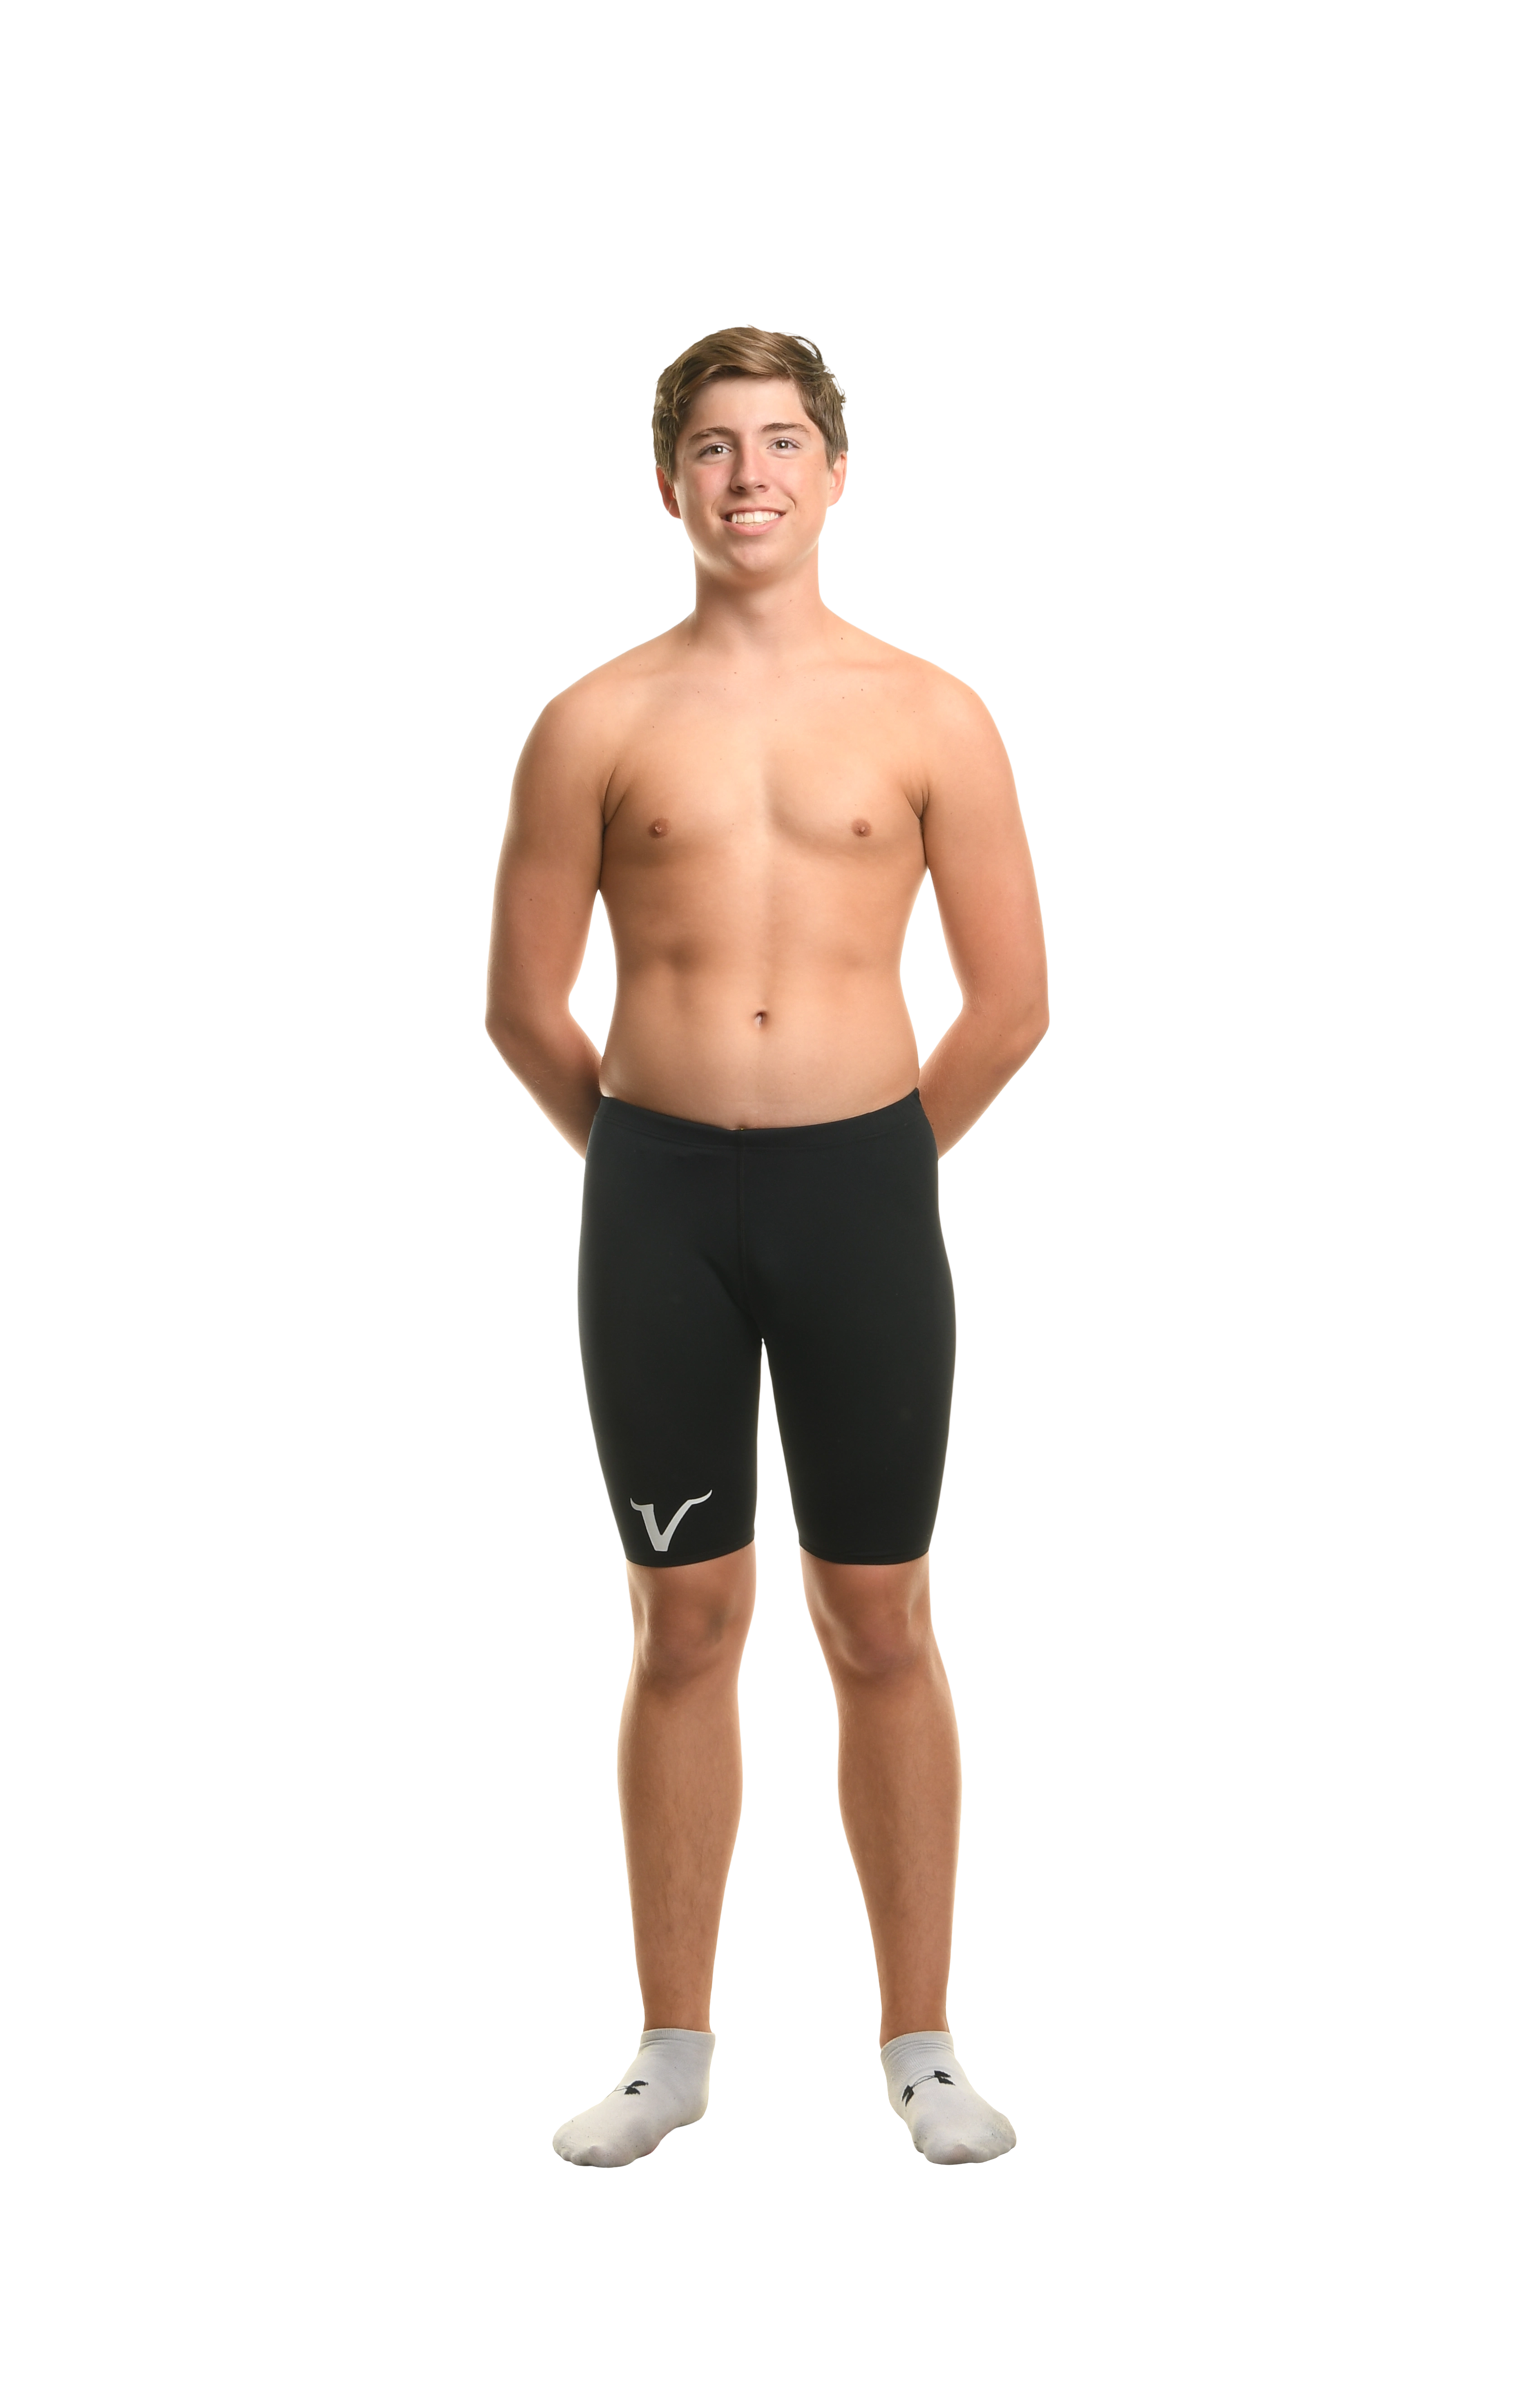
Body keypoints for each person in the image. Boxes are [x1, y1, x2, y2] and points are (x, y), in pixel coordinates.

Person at [485, 324, 1048, 2166]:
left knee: (882, 1618)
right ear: (668, 483)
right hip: (653, 1197)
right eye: (716, 446)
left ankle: (919, 2051)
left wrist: (865, 1179)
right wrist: (655, 1178)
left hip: (863, 1189)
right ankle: (669, 2056)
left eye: (783, 440)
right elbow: (520, 1007)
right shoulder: (592, 721)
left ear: (836, 473)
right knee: (685, 1620)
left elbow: (1012, 1003)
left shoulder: (931, 712)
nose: (750, 476)